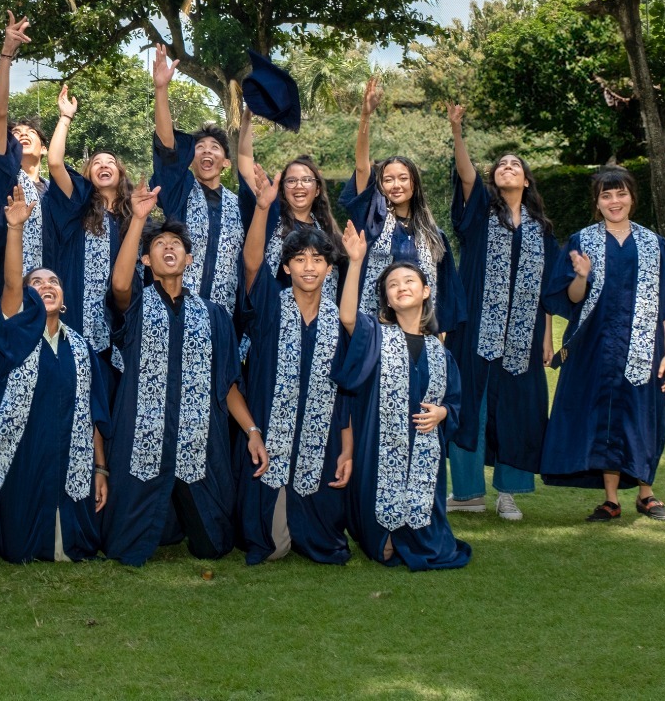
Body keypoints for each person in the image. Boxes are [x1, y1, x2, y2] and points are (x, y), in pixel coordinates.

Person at [101, 181, 268, 566]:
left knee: (214, 545)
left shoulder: (214, 315)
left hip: (198, 435)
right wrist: (139, 219)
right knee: (126, 547)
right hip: (142, 432)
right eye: (159, 244)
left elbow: (226, 382)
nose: (169, 248)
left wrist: (253, 431)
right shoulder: (137, 307)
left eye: (177, 244)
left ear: (190, 260)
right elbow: (120, 284)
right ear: (146, 260)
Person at [0, 185, 110, 563]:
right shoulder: (15, 332)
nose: (47, 286)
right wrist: (15, 230)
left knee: (76, 546)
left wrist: (100, 468)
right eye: (38, 282)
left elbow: (94, 413)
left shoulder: (80, 347)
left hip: (70, 463)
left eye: (54, 282)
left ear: (64, 297)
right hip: (20, 462)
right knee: (19, 545)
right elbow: (12, 284)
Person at [542, 165, 665, 523]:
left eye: (621, 193)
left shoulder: (655, 244)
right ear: (597, 203)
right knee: (601, 415)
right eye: (606, 195)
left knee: (642, 414)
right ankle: (611, 499)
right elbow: (571, 299)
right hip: (594, 347)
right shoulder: (581, 241)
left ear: (632, 197)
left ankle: (647, 494)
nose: (614, 201)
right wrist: (582, 276)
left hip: (643, 348)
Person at [234, 165, 353, 565]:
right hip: (269, 436)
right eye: (299, 260)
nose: (308, 267)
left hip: (322, 437)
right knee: (273, 545)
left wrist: (347, 447)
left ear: (329, 269)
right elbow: (252, 264)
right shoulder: (271, 305)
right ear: (286, 268)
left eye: (318, 260)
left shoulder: (341, 321)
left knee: (323, 540)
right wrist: (264, 207)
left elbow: (348, 391)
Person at [334, 225, 471, 571]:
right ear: (387, 299)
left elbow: (454, 404)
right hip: (378, 451)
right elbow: (347, 316)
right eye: (392, 285)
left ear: (426, 291)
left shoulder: (442, 352)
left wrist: (442, 412)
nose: (401, 288)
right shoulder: (376, 337)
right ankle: (385, 533)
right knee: (382, 550)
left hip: (425, 451)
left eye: (409, 281)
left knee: (433, 546)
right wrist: (355, 262)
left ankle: (416, 533)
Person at [445, 104, 558, 521]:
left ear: (526, 180)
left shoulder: (541, 230)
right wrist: (458, 131)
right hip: (473, 328)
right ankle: (468, 491)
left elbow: (549, 291)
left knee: (517, 409)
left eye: (515, 165)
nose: (507, 168)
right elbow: (465, 173)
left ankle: (508, 492)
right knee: (467, 403)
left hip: (524, 336)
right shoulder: (479, 215)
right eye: (501, 165)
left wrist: (547, 339)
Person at [340, 76, 466, 335]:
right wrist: (366, 115)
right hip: (374, 328)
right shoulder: (372, 219)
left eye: (402, 178)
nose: (396, 185)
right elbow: (362, 165)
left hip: (418, 329)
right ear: (381, 185)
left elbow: (442, 290)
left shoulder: (432, 234)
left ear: (414, 184)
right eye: (388, 179)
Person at [44, 82, 133, 375]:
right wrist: (66, 117)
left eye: (111, 162)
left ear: (120, 173)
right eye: (97, 163)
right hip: (75, 315)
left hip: (116, 324)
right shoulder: (78, 203)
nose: (104, 165)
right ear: (88, 173)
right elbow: (55, 163)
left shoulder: (132, 218)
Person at [149, 44, 243, 316]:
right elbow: (167, 149)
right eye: (200, 147)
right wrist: (161, 90)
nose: (206, 151)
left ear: (226, 162)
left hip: (222, 316)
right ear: (190, 158)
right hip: (177, 309)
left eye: (215, 147)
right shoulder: (182, 190)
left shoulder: (238, 206)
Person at [236, 112, 346, 308]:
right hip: (274, 316)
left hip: (319, 324)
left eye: (306, 180)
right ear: (283, 189)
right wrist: (246, 121)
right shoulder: (271, 216)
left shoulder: (329, 234)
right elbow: (246, 169)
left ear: (318, 189)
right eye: (291, 181)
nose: (299, 186)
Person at [0, 12, 49, 306]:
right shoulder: (5, 179)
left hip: (52, 300)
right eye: (15, 132)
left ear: (44, 148)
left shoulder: (58, 190)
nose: (21, 134)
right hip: (9, 296)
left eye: (30, 131)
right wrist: (6, 55)